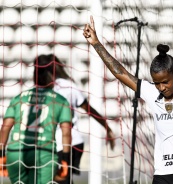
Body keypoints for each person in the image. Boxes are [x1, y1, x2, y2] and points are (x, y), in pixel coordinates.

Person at [83, 4, 173, 184]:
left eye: (165, 82)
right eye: (157, 83)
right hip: (163, 174)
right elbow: (120, 72)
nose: (161, 87)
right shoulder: (151, 93)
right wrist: (96, 44)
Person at [35, 54, 116, 184]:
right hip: (74, 142)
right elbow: (89, 109)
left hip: (58, 144)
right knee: (63, 179)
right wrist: (107, 128)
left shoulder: (38, 92)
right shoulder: (68, 86)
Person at [0, 55, 72, 183]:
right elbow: (66, 133)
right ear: (53, 75)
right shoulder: (60, 100)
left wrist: (1, 154)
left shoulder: (19, 98)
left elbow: (5, 128)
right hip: (44, 152)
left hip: (16, 152)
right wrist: (65, 160)